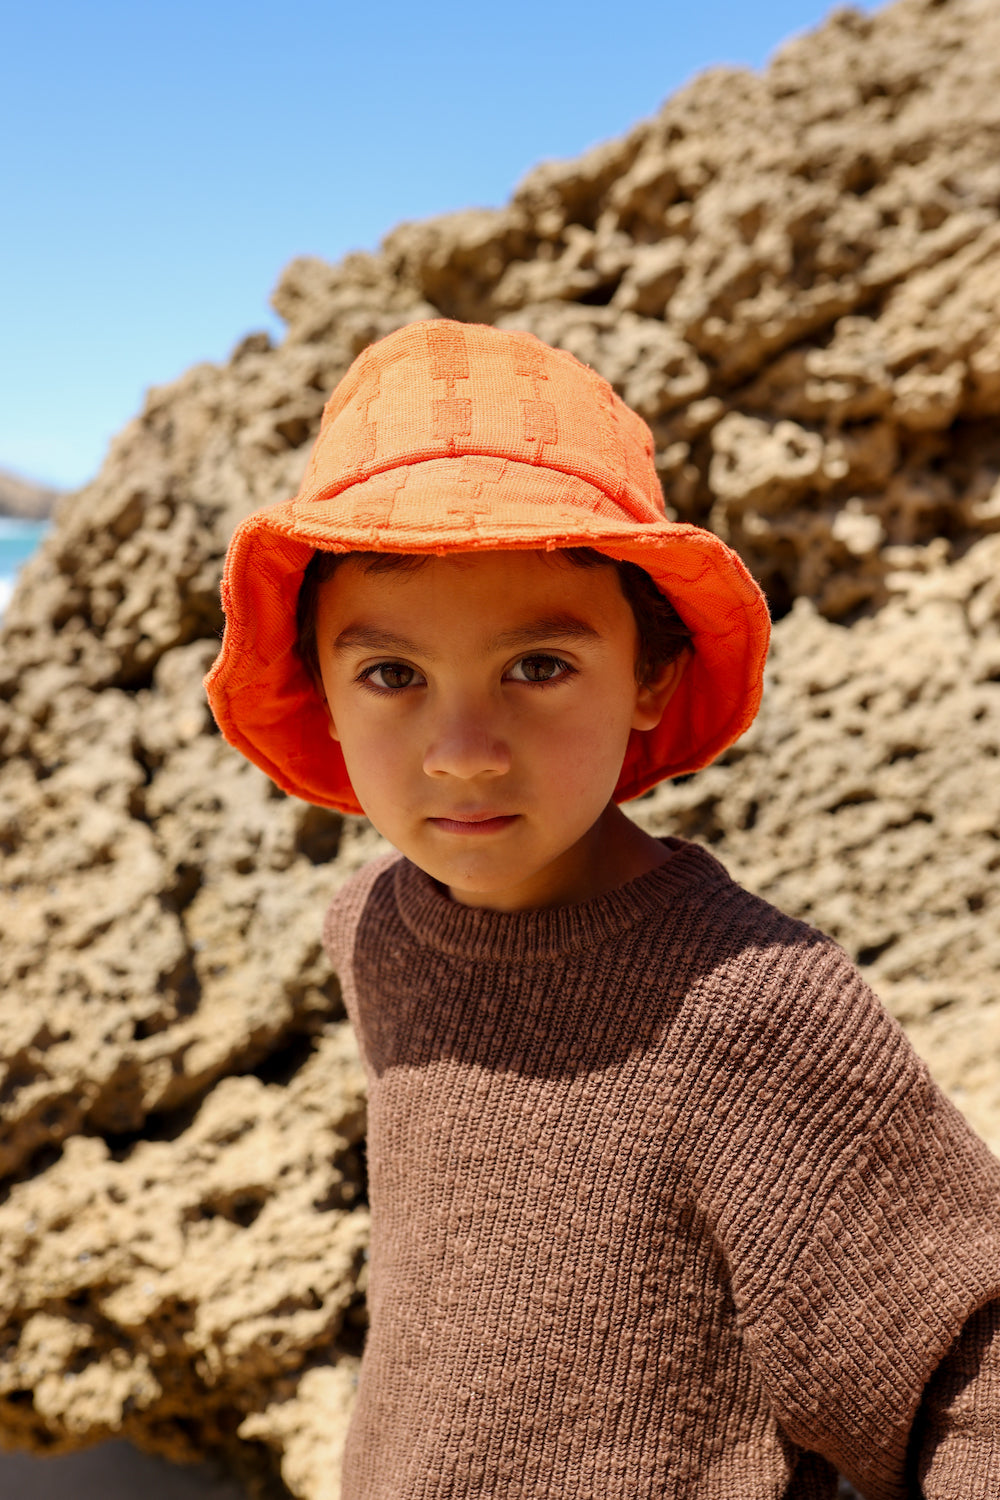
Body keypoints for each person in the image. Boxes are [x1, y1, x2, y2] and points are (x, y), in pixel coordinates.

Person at [205, 320, 1000, 1499]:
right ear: (319, 690)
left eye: (538, 666)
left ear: (651, 675)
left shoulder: (747, 1006)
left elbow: (967, 1378)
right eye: (391, 675)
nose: (463, 754)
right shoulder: (372, 928)